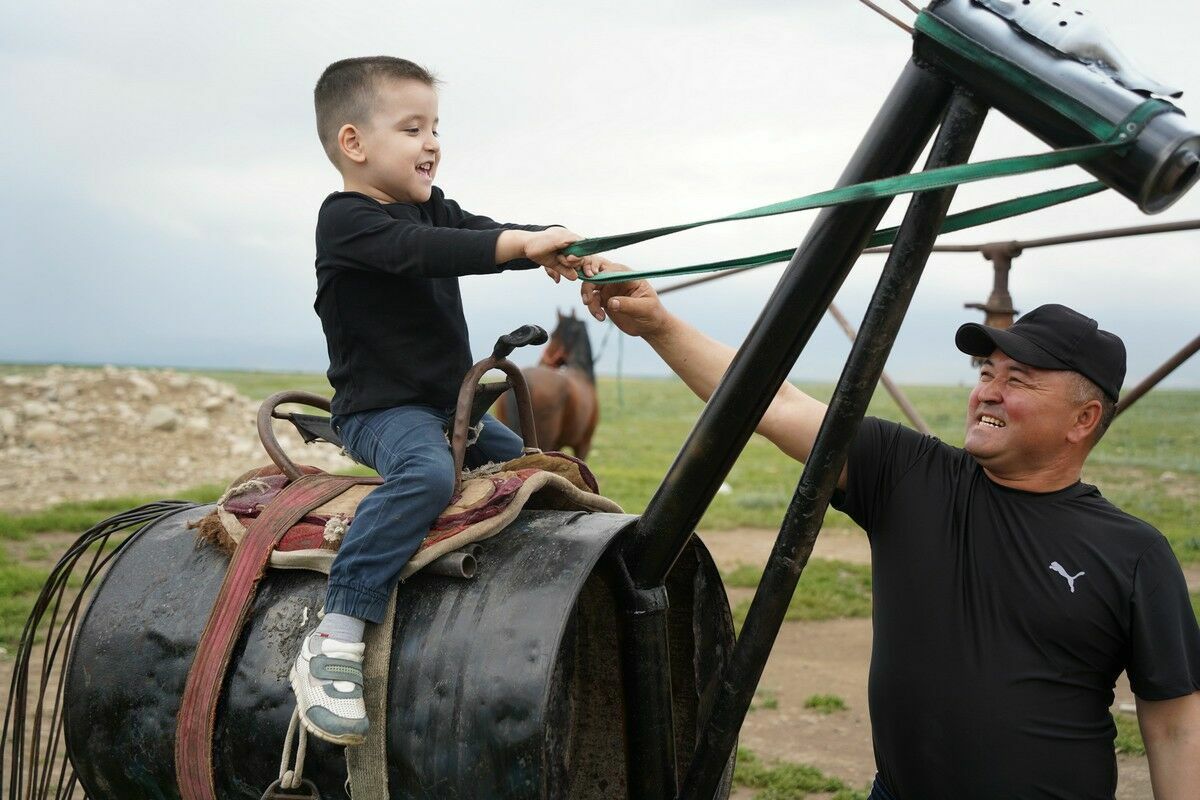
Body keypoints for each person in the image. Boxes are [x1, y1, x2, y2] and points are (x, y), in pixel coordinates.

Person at [579, 264, 1200, 799]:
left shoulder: (1134, 554)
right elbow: (776, 404)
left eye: (1019, 380)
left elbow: (1173, 724)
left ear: (1083, 418)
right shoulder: (912, 474)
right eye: (987, 372)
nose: (989, 390)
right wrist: (658, 323)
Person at [292, 56, 582, 745]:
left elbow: (476, 231)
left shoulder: (431, 207)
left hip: (453, 410)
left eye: (435, 127)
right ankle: (336, 633)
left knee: (523, 466)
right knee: (426, 475)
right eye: (412, 127)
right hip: (382, 412)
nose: (432, 142)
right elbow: (428, 250)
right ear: (354, 143)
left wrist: (556, 246)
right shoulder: (349, 222)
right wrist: (519, 244)